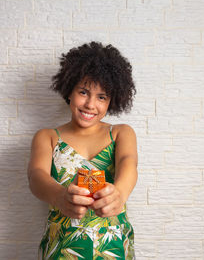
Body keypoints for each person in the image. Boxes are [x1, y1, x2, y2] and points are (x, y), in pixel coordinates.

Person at [28, 41, 138, 259]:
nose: (90, 104)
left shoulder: (121, 133)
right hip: (62, 245)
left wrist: (120, 193)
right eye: (84, 92)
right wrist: (60, 197)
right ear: (69, 90)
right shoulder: (47, 137)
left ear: (111, 101)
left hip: (113, 244)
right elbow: (35, 176)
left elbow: (129, 164)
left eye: (101, 97)